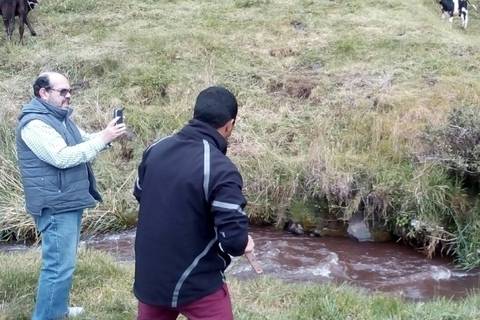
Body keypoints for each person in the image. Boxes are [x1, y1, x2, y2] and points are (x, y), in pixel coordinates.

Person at [133, 86, 254, 320]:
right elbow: (234, 242)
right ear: (229, 125)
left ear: (196, 114)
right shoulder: (221, 169)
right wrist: (245, 242)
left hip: (151, 275)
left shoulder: (155, 149)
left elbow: (140, 194)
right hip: (196, 282)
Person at [15, 71, 126, 319]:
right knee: (58, 267)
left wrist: (106, 135)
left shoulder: (60, 118)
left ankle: (58, 309)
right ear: (43, 93)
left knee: (65, 264)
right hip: (54, 206)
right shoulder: (35, 124)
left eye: (70, 91)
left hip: (66, 201)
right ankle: (45, 316)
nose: (68, 96)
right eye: (62, 91)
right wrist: (103, 139)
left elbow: (83, 141)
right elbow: (63, 157)